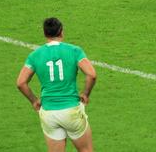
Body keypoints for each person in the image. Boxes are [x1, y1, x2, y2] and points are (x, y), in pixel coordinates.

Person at [17, 17, 97, 152]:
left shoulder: (35, 55)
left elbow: (21, 82)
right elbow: (92, 74)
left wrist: (34, 100)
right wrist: (85, 93)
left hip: (49, 112)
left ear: (45, 34)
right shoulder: (74, 51)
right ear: (61, 32)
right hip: (71, 110)